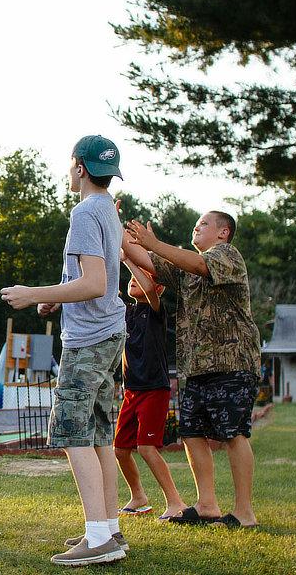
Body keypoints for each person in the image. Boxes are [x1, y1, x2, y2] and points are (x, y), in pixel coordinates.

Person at [0, 135, 128, 566]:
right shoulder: (108, 209)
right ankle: (109, 529)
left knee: (73, 433)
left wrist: (29, 292)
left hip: (88, 339)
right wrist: (56, 296)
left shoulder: (85, 211)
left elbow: (93, 283)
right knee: (99, 435)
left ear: (78, 168)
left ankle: (98, 539)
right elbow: (98, 276)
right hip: (110, 333)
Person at [123, 210, 260, 529]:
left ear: (224, 232)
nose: (196, 226)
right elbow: (147, 261)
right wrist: (111, 224)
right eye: (195, 224)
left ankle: (244, 513)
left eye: (204, 223)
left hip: (232, 361)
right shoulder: (185, 272)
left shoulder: (227, 255)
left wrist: (154, 243)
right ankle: (207, 504)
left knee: (234, 433)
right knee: (192, 433)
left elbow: (194, 262)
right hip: (198, 367)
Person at [114, 257, 188, 522]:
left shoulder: (156, 310)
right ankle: (139, 498)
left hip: (154, 390)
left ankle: (175, 502)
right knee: (121, 449)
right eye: (134, 276)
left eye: (145, 277)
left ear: (158, 289)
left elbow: (146, 286)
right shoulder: (126, 311)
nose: (135, 279)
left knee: (146, 448)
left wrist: (128, 260)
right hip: (131, 390)